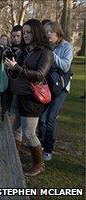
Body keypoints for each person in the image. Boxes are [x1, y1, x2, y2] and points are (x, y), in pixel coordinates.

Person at [5, 19, 54, 176]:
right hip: (19, 95)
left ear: (36, 33)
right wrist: (11, 68)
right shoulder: (25, 51)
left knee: (29, 133)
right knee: (14, 130)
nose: (25, 35)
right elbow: (17, 72)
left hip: (33, 98)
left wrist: (17, 68)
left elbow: (40, 75)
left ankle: (39, 164)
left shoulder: (46, 53)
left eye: (28, 32)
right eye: (23, 32)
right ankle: (15, 159)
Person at [39, 21, 73, 161]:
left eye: (50, 31)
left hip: (61, 88)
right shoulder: (46, 46)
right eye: (45, 31)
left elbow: (65, 66)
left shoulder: (66, 46)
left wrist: (51, 54)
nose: (47, 34)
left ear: (57, 32)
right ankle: (41, 143)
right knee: (42, 119)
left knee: (51, 119)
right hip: (47, 87)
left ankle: (48, 149)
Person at [0, 25, 24, 120]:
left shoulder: (26, 51)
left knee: (15, 113)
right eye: (13, 36)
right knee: (5, 110)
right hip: (7, 84)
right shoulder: (7, 50)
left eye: (18, 36)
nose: (16, 38)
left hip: (19, 85)